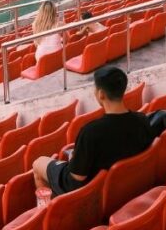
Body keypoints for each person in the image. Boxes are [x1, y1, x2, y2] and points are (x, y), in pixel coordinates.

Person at [33, 66, 153, 196]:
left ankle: (46, 210)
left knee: (38, 163)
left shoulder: (91, 131)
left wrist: (74, 161)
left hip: (94, 191)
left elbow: (77, 178)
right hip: (125, 184)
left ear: (101, 94)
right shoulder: (142, 120)